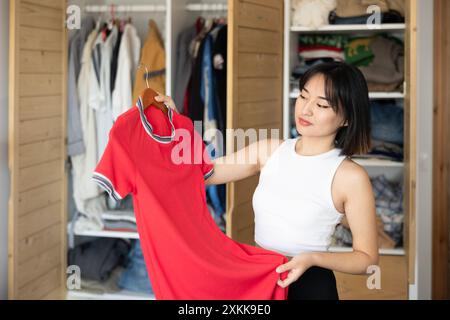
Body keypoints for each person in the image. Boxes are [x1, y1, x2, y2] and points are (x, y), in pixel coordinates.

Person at [155, 61, 379, 300]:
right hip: (260, 276)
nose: (306, 110)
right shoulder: (270, 150)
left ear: (346, 118)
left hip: (309, 286)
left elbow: (367, 259)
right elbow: (205, 172)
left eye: (322, 104)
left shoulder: (350, 177)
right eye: (303, 97)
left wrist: (313, 258)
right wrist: (174, 122)